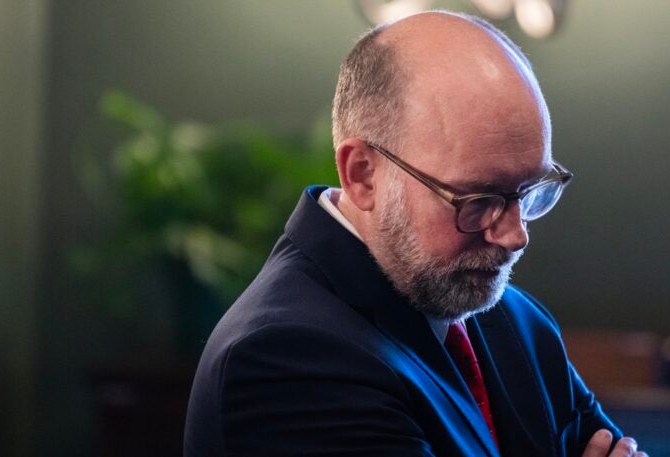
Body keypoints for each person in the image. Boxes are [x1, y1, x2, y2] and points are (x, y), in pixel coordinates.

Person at [184, 11, 646, 457]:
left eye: (530, 192)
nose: (515, 236)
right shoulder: (285, 359)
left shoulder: (518, 321)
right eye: (478, 200)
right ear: (363, 175)